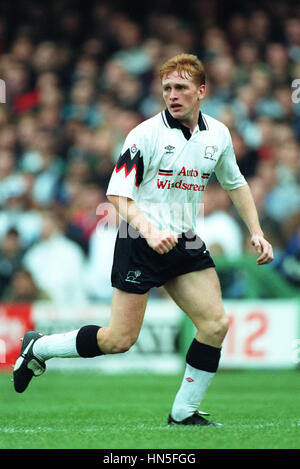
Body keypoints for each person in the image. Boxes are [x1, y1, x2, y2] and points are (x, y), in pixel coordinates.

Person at [13, 54, 273, 426]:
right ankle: (40, 347)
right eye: (167, 88)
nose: (173, 95)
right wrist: (149, 230)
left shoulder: (218, 134)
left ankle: (183, 413)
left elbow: (236, 183)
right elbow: (117, 194)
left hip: (184, 240)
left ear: (202, 91)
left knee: (215, 324)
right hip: (139, 238)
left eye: (181, 88)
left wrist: (256, 231)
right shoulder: (144, 134)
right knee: (119, 340)